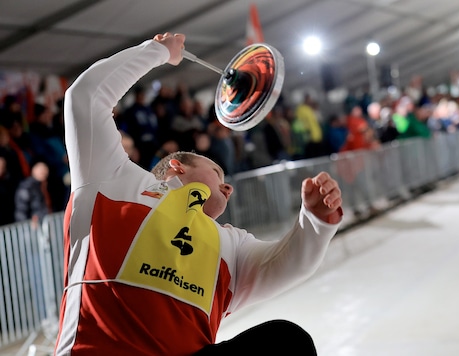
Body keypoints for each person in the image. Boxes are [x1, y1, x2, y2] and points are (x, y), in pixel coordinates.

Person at [55, 32, 343, 355]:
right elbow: (85, 97)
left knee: (288, 342)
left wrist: (316, 220)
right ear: (177, 167)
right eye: (217, 172)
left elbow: (288, 263)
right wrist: (159, 52)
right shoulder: (112, 179)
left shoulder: (229, 244)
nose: (229, 186)